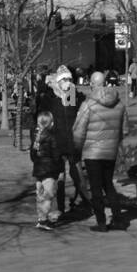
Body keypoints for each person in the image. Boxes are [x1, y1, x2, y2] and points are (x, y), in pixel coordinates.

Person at [73, 71, 128, 232]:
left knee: (96, 187)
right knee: (108, 184)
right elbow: (125, 130)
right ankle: (118, 218)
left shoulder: (88, 105)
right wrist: (114, 142)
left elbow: (78, 131)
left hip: (92, 152)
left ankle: (101, 222)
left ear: (92, 83)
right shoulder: (120, 104)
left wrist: (77, 148)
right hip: (110, 151)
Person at [36, 65, 89, 216]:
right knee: (60, 177)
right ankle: (60, 207)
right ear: (58, 81)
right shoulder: (49, 97)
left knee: (77, 172)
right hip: (56, 143)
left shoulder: (73, 95)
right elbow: (42, 118)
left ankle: (87, 202)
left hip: (72, 142)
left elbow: (77, 113)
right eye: (64, 79)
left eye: (70, 79)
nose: (68, 82)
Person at [30, 111, 62, 231]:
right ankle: (44, 219)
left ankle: (41, 217)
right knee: (48, 195)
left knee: (40, 194)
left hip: (38, 169)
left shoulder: (36, 137)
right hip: (49, 170)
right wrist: (58, 167)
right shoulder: (52, 137)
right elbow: (56, 154)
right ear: (51, 123)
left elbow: (32, 155)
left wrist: (37, 162)